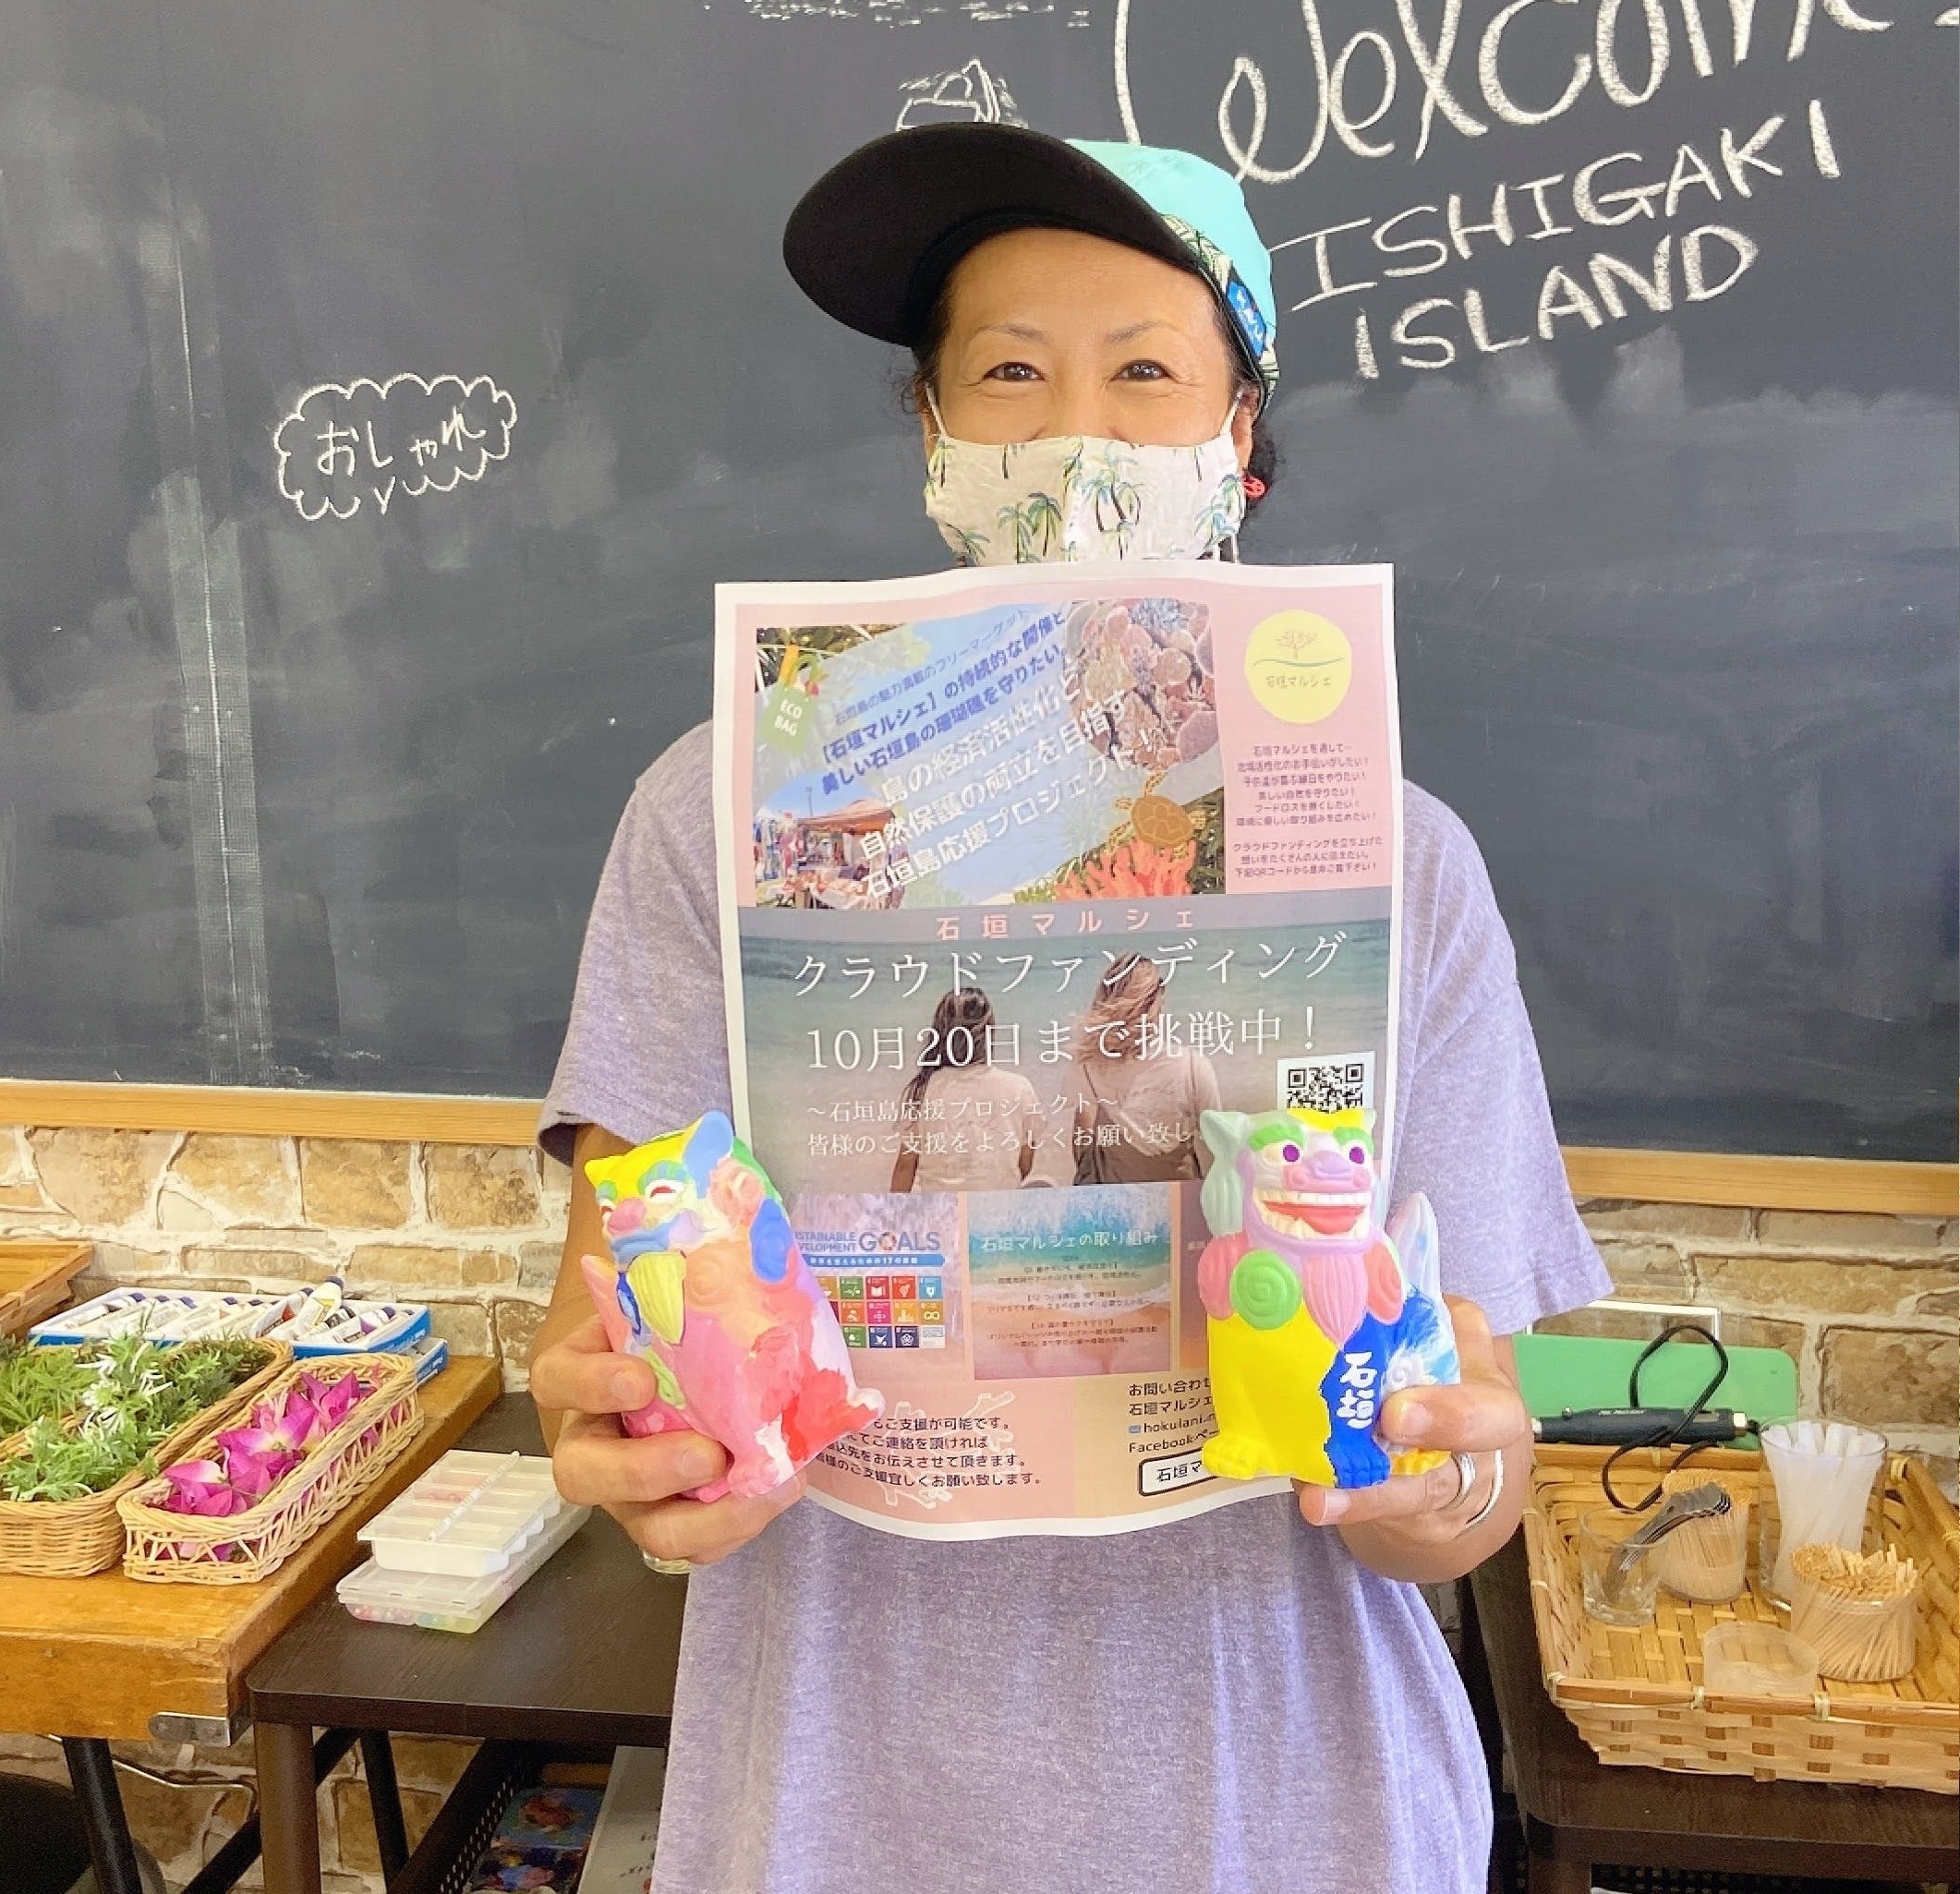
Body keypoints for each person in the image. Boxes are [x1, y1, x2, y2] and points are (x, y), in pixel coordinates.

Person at [528, 125, 1609, 1894]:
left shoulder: (1405, 861)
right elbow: (637, 1362)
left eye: (1148, 374)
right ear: (933, 435)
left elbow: (1458, 1492)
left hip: (1295, 1814)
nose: (1077, 437)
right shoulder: (713, 817)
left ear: (1241, 435)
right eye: (1011, 373)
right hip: (837, 1814)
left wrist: (1434, 1485)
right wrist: (653, 1450)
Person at [1064, 950, 1218, 1182]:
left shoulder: (1089, 1064)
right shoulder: (1192, 1065)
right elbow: (1218, 1147)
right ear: (1158, 998)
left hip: (1117, 1196)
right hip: (1179, 1195)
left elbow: (1083, 1142)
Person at [889, 986, 1053, 1192]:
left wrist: (894, 1210)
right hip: (995, 1204)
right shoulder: (1019, 1087)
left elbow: (905, 1167)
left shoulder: (923, 1089)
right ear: (988, 1034)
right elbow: (1024, 1164)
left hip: (942, 1206)